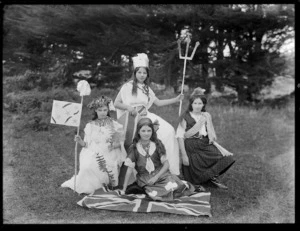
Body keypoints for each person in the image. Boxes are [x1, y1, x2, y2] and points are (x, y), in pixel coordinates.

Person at [114, 53, 183, 177]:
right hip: (132, 118)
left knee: (169, 131)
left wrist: (176, 99)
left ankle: (168, 170)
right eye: (139, 72)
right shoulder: (127, 86)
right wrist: (128, 107)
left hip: (147, 116)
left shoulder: (147, 88)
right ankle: (141, 170)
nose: (142, 75)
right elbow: (116, 103)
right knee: (143, 138)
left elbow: (158, 102)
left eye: (144, 73)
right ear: (135, 73)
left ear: (147, 75)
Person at [61, 96, 126, 194]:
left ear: (108, 110)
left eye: (105, 110)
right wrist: (79, 141)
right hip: (93, 150)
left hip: (109, 151)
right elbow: (86, 144)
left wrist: (114, 145)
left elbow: (121, 140)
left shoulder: (114, 124)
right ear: (96, 110)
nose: (103, 112)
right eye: (100, 110)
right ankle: (90, 186)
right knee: (88, 165)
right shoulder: (90, 125)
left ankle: (105, 184)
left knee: (105, 167)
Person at [120, 117, 197, 201]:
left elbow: (166, 164)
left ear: (152, 131)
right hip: (145, 178)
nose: (146, 134)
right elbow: (129, 170)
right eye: (143, 131)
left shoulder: (157, 144)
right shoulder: (134, 148)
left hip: (160, 174)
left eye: (149, 131)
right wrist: (123, 189)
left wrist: (156, 177)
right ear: (138, 132)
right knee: (154, 194)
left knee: (173, 185)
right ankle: (164, 194)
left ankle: (175, 188)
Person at [176, 87, 235, 189]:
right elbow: (180, 137)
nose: (197, 106)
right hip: (192, 145)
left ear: (203, 104)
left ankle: (211, 177)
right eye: (195, 103)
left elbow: (209, 132)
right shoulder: (185, 116)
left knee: (226, 158)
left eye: (200, 103)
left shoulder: (206, 115)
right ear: (191, 104)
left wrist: (210, 139)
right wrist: (184, 155)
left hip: (205, 142)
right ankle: (207, 179)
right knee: (195, 173)